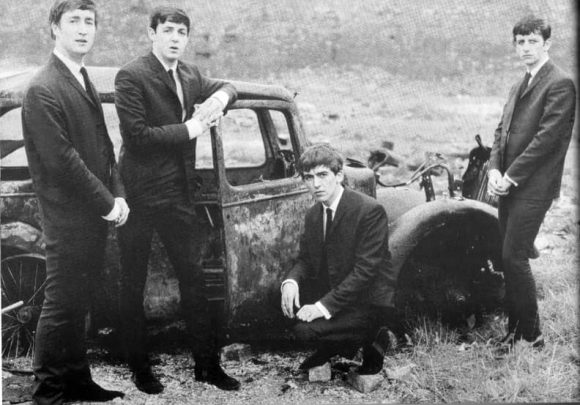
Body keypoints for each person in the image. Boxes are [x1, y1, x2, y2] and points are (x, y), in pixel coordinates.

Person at [114, 6, 239, 393]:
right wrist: (192, 127)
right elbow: (137, 136)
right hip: (137, 196)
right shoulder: (131, 75)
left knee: (196, 279)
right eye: (167, 31)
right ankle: (140, 367)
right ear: (152, 34)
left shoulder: (189, 74)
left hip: (178, 196)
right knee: (132, 284)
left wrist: (219, 98)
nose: (174, 38)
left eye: (181, 33)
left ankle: (207, 364)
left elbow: (230, 86)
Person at [21, 1, 129, 403]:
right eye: (73, 22)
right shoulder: (42, 87)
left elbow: (103, 146)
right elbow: (63, 160)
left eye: (89, 22)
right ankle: (48, 391)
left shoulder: (80, 77)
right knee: (61, 303)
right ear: (54, 28)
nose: (83, 30)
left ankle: (77, 380)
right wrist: (107, 203)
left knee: (79, 299)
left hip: (93, 214)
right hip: (67, 217)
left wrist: (118, 193)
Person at [488, 15, 576, 350]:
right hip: (508, 184)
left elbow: (546, 140)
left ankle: (530, 334)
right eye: (520, 42)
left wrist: (510, 177)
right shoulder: (518, 85)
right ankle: (518, 332)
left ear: (547, 44)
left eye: (532, 42)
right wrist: (494, 170)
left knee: (514, 256)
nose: (525, 48)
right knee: (508, 255)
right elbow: (501, 133)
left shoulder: (560, 83)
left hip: (533, 187)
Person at [281, 144, 398, 375]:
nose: (316, 184)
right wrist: (290, 283)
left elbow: (365, 272)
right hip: (339, 293)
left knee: (304, 331)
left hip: (367, 301)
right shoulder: (314, 214)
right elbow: (305, 259)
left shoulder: (369, 211)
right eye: (308, 177)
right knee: (284, 309)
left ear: (339, 176)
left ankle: (374, 336)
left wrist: (321, 307)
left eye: (323, 175)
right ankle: (336, 343)